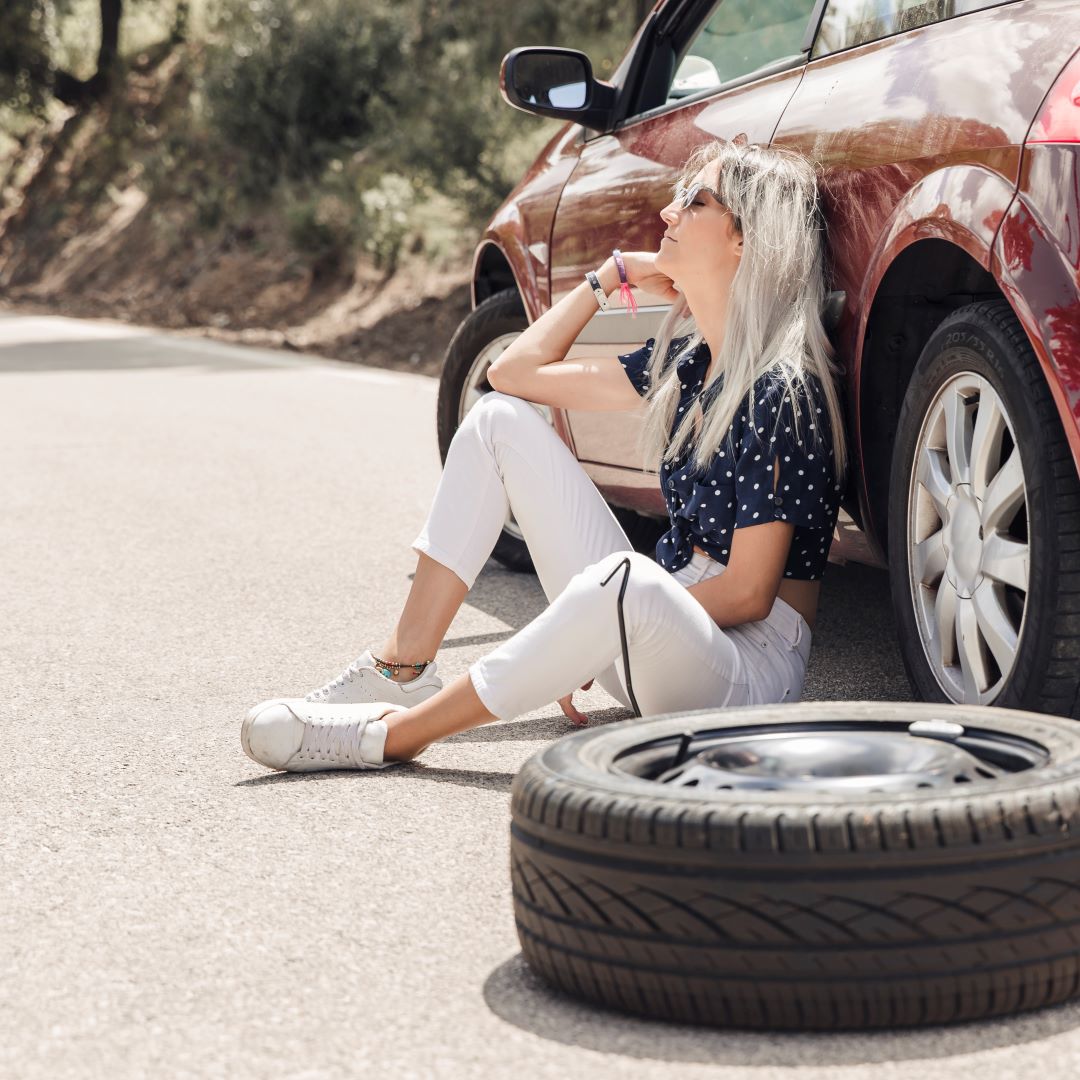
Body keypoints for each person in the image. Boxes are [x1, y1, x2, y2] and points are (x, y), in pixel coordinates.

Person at [241, 136, 848, 774]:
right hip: (645, 633)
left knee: (627, 581)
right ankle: (402, 669)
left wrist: (586, 634)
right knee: (496, 422)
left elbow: (750, 594)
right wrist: (608, 276)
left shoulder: (785, 390)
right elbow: (511, 373)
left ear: (745, 239)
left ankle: (394, 737)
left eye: (694, 202)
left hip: (741, 673)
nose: (668, 214)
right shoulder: (688, 363)